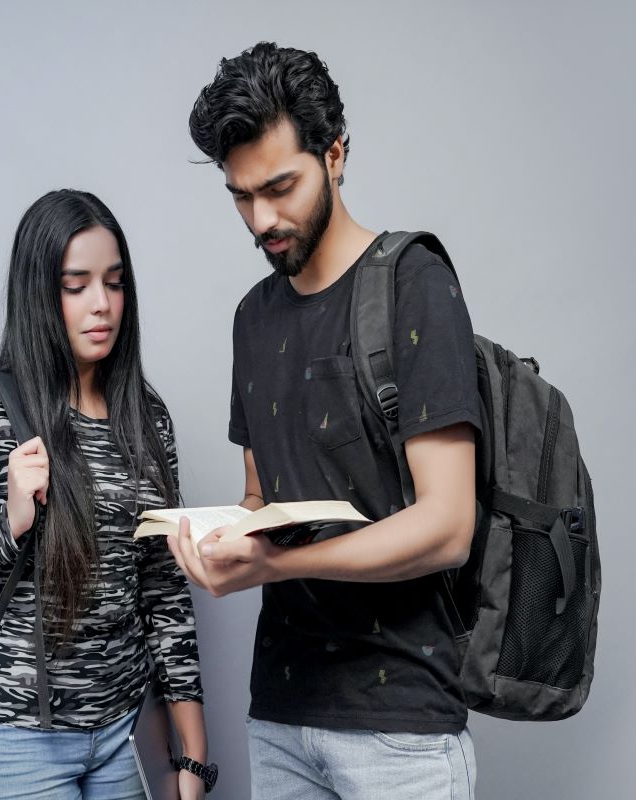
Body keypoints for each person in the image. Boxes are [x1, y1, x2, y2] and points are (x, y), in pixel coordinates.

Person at [168, 43, 480, 799]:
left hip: (401, 730)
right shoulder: (252, 317)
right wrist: (222, 543)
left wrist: (278, 565)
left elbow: (448, 525)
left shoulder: (414, 281)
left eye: (280, 186)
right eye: (241, 196)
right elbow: (260, 498)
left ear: (335, 155)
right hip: (279, 716)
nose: (261, 218)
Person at [0, 189, 211, 800]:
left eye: (114, 282)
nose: (102, 304)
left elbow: (164, 588)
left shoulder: (147, 416)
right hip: (16, 742)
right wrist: (5, 528)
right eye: (75, 285)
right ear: (39, 293)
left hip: (127, 737)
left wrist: (192, 755)